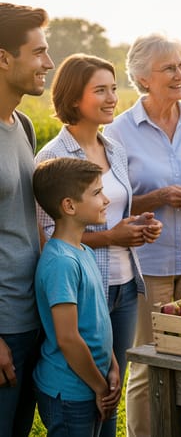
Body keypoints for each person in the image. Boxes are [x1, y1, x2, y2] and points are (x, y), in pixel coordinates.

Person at [35, 53, 163, 437]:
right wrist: (112, 236)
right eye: (101, 90)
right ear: (75, 98)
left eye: (114, 88)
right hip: (84, 288)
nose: (112, 98)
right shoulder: (52, 158)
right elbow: (50, 236)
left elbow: (114, 209)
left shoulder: (115, 150)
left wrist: (137, 225)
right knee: (87, 390)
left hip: (125, 284)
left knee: (111, 387)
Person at [103, 33, 181, 437]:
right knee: (149, 360)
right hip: (145, 264)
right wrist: (156, 198)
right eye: (169, 67)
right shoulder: (118, 132)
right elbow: (108, 202)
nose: (180, 73)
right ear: (143, 78)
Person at [31, 157, 121, 437]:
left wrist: (113, 366)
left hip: (92, 383)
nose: (106, 200)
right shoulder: (61, 263)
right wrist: (99, 386)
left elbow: (98, 322)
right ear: (69, 206)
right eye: (96, 193)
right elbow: (68, 338)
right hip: (71, 392)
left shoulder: (84, 252)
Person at [0, 2, 54, 437]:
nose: (48, 64)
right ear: (3, 58)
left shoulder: (23, 125)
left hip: (30, 318)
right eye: (38, 52)